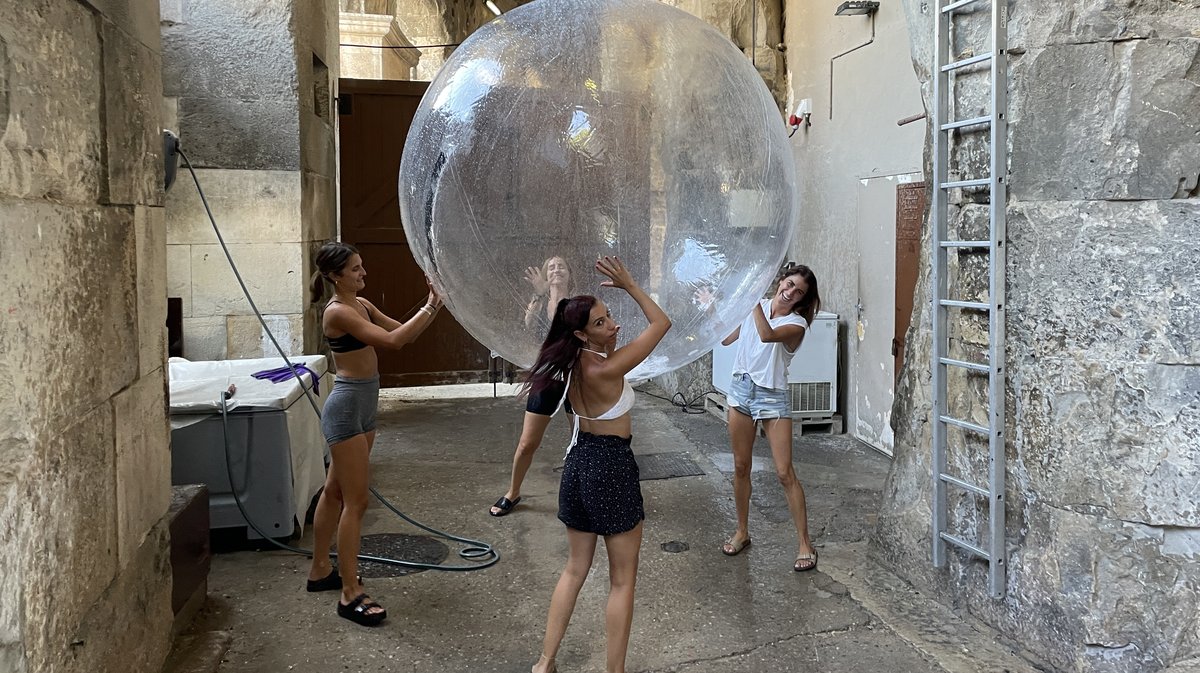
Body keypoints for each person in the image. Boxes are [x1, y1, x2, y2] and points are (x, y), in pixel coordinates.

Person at [529, 256, 671, 673]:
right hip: (610, 465)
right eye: (601, 323)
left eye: (609, 318)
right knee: (622, 581)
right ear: (580, 334)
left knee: (574, 569)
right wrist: (629, 284)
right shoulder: (606, 368)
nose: (613, 326)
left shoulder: (568, 364)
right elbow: (661, 324)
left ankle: (545, 663)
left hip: (577, 464)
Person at [305, 241, 443, 626]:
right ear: (336, 276)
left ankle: (320, 571)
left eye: (362, 266)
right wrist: (431, 305)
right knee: (357, 502)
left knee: (335, 492)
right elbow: (394, 342)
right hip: (347, 408)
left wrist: (436, 303)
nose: (363, 273)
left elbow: (406, 333)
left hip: (364, 406)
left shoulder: (361, 306)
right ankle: (350, 593)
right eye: (355, 269)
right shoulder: (338, 313)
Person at [719, 263, 822, 572]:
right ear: (780, 281)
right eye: (788, 284)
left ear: (803, 299)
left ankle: (805, 542)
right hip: (741, 390)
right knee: (740, 466)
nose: (789, 292)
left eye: (798, 291)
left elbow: (765, 335)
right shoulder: (759, 306)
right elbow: (726, 339)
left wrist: (750, 300)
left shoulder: (797, 324)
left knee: (784, 472)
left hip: (772, 396)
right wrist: (713, 306)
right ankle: (742, 531)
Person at [490, 256, 575, 517]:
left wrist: (552, 294)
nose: (556, 269)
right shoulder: (537, 302)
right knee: (527, 443)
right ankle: (513, 492)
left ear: (569, 274)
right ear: (545, 275)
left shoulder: (578, 303)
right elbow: (532, 328)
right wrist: (541, 295)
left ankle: (579, 493)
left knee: (580, 440)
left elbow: (570, 329)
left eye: (561, 266)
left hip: (576, 379)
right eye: (551, 267)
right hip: (547, 378)